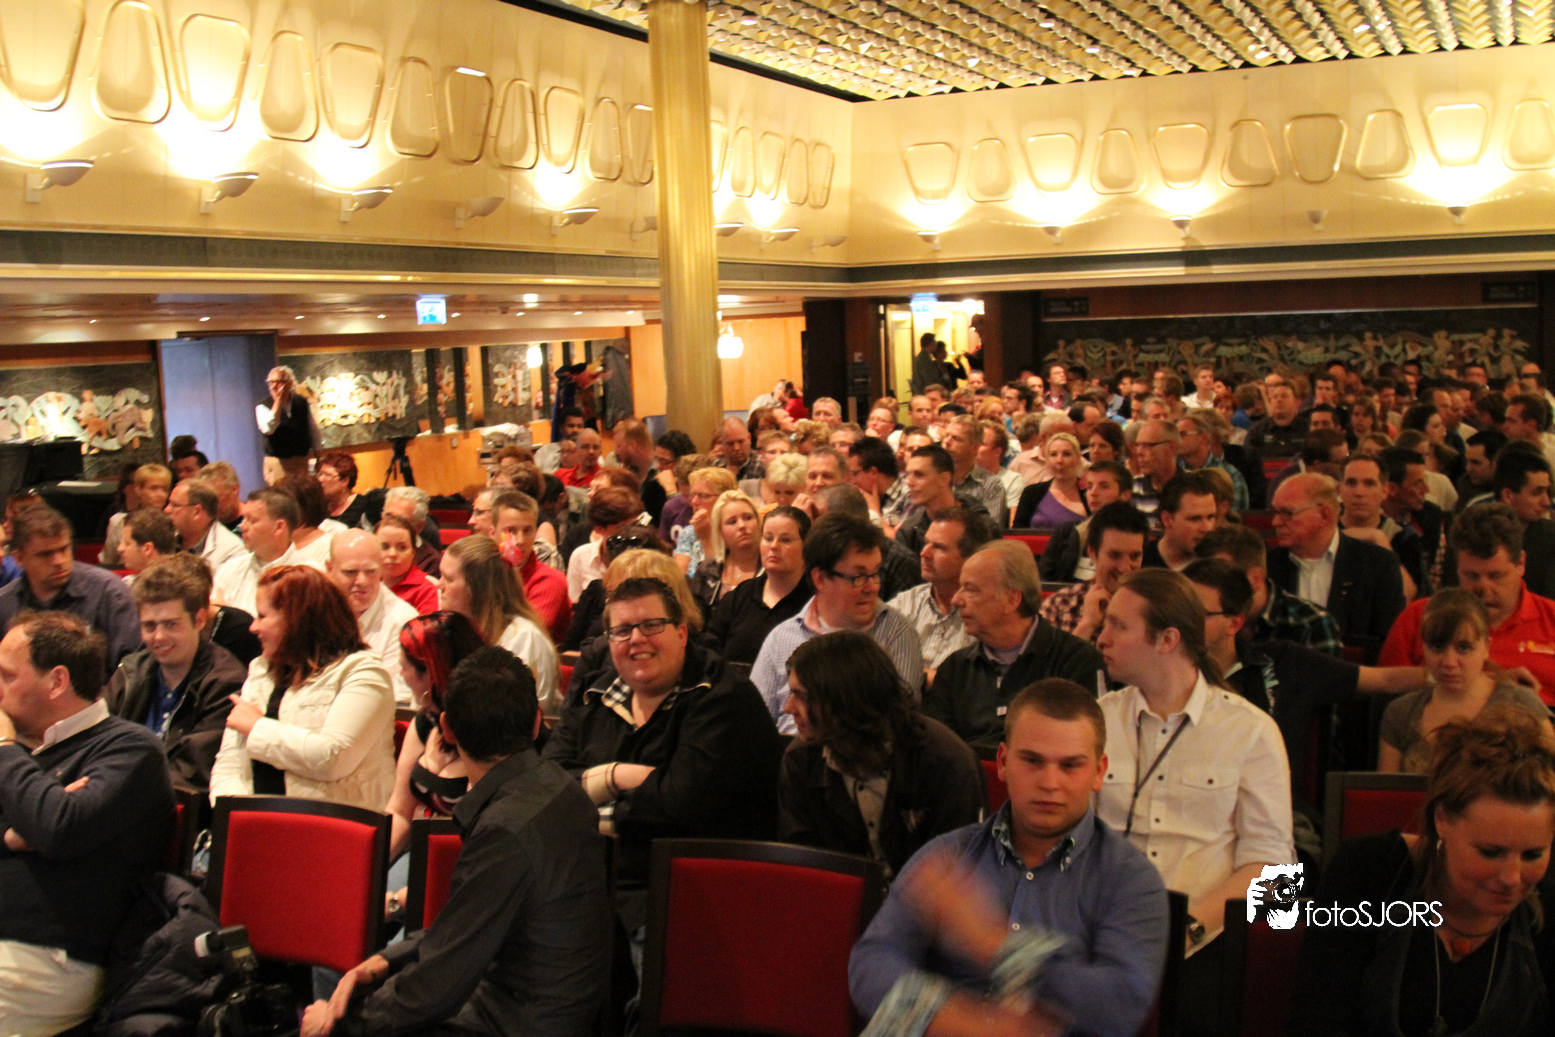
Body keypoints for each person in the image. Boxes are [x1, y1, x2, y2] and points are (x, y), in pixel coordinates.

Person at [303, 645, 610, 1037]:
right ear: (536, 723)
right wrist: (388, 958)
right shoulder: (561, 788)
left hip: (517, 1019)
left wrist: (338, 1026)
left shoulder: (505, 829)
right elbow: (463, 931)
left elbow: (436, 986)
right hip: (553, 1007)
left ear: (446, 729)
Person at [849, 679, 1169, 1037]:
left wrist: (993, 946)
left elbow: (1120, 1009)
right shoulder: (948, 855)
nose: (1050, 782)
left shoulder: (1131, 880)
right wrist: (955, 1021)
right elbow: (872, 962)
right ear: (1002, 762)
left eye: (1070, 766)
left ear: (1098, 771)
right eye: (1032, 761)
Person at [1289, 708, 1555, 1037]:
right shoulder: (1369, 872)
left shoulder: (1548, 906)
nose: (1512, 878)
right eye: (1490, 852)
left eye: (1532, 855)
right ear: (1441, 820)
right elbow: (1318, 1022)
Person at [542, 577, 783, 940]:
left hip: (691, 902)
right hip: (590, 885)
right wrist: (616, 776)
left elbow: (678, 806)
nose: (636, 639)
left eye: (651, 625)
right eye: (622, 630)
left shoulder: (724, 698)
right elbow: (547, 784)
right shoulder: (595, 691)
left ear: (682, 633)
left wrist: (582, 812)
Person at [1095, 568, 1294, 956]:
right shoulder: (1097, 721)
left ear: (1168, 640)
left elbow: (1276, 871)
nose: (1102, 638)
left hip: (1207, 944)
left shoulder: (1250, 730)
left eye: (1118, 626)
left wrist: (1189, 931)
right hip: (1106, 934)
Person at [0, 612, 175, 1036]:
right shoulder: (24, 752)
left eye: (6, 676)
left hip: (49, 957)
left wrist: (4, 748)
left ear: (57, 681)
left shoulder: (130, 749)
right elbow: (48, 817)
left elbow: (58, 828)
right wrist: (12, 832)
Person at [779, 631, 982, 877]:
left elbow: (960, 871)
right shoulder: (801, 760)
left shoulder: (945, 762)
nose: (788, 708)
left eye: (801, 696)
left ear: (847, 699)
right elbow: (804, 868)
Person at [209, 565, 397, 810]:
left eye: (262, 616)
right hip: (257, 822)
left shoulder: (363, 673)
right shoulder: (261, 670)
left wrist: (257, 727)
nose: (253, 627)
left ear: (296, 620)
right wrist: (236, 814)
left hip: (332, 826)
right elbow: (229, 765)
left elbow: (333, 759)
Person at [749, 514, 924, 733]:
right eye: (859, 577)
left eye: (875, 574)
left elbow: (898, 724)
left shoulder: (896, 633)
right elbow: (753, 725)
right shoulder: (782, 638)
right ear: (820, 579)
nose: (872, 588)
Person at [926, 540, 1105, 746]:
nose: (956, 600)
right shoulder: (955, 669)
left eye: (971, 589)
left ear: (1011, 600)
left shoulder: (1077, 662)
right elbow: (938, 751)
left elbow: (1087, 745)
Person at [1380, 503, 1555, 704]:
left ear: (1521, 563)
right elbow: (1386, 695)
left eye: (1495, 576)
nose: (1484, 589)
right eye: (1472, 576)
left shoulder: (1551, 618)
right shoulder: (1421, 616)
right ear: (1457, 568)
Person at [104, 555, 245, 792]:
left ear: (199, 620)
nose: (158, 637)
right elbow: (95, 744)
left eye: (170, 624)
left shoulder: (225, 683)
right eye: (149, 626)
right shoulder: (130, 671)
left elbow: (192, 772)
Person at [1378, 588, 1551, 773]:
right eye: (1437, 647)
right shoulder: (1401, 714)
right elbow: (1387, 790)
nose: (1449, 662)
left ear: (1486, 647)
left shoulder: (1521, 705)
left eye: (1464, 648)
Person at [1267, 472, 1406, 643]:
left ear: (1324, 515)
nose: (1276, 522)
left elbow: (1386, 641)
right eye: (1275, 512)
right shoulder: (1267, 566)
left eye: (1287, 513)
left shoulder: (1378, 565)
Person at [0, 506, 141, 673]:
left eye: (64, 549)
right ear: (18, 558)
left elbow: (132, 669)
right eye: (46, 554)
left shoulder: (108, 593)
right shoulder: (5, 603)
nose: (59, 561)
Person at [438, 534, 561, 714]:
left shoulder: (524, 639)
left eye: (448, 579)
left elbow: (522, 716)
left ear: (479, 589)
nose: (438, 585)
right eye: (440, 576)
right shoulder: (452, 629)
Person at [703, 506, 812, 667]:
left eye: (785, 540)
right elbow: (709, 652)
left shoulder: (815, 601)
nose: (774, 546)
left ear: (806, 546)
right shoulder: (739, 596)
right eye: (768, 538)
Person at [889, 507, 996, 670]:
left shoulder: (986, 614)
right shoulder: (904, 604)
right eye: (926, 543)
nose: (924, 553)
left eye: (939, 547)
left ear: (970, 558)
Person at [329, 529, 418, 706]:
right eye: (350, 572)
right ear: (329, 568)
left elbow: (395, 699)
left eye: (370, 571)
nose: (362, 581)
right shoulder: (314, 609)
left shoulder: (404, 622)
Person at [1040, 501, 1150, 644]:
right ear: (1092, 552)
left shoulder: (1156, 610)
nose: (1125, 568)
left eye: (1134, 556)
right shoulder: (1058, 606)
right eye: (1114, 555)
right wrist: (1087, 624)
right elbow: (1046, 659)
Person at [213, 487, 322, 616]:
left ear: (279, 527)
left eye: (251, 520)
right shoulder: (229, 570)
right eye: (243, 519)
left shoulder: (311, 576)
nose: (242, 526)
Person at [489, 490, 571, 641]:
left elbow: (524, 637)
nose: (520, 540)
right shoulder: (483, 572)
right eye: (511, 531)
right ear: (492, 533)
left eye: (527, 530)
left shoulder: (550, 580)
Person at [688, 489, 761, 609]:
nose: (742, 525)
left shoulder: (773, 567)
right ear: (720, 531)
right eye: (732, 522)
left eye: (748, 518)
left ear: (759, 522)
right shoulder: (706, 571)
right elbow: (697, 617)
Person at [1141, 470, 1220, 571]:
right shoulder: (1140, 561)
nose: (1207, 528)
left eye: (1210, 517)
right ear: (1167, 519)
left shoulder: (1222, 564)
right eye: (1195, 519)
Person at [165, 477, 246, 572]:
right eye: (169, 503)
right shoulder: (166, 538)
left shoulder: (232, 552)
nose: (166, 510)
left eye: (175, 505)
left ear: (197, 512)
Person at [99, 463, 172, 567]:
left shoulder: (173, 522)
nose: (160, 495)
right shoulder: (119, 522)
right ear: (138, 489)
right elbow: (108, 561)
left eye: (165, 489)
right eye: (153, 488)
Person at [1013, 431, 1087, 528]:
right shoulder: (1031, 493)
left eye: (1066, 454)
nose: (1059, 460)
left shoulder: (1089, 494)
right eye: (1053, 454)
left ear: (1078, 459)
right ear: (1047, 460)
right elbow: (1018, 532)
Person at [257, 365, 316, 481]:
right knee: (281, 492)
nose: (274, 386)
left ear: (290, 384)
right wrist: (278, 402)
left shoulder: (301, 402)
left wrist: (318, 455)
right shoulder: (263, 406)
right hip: (278, 462)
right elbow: (269, 428)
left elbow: (313, 430)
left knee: (303, 490)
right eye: (271, 382)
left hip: (301, 460)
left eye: (279, 382)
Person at [377, 514, 439, 614]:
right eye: (384, 547)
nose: (392, 554)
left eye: (402, 548)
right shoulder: (366, 582)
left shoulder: (425, 590)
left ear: (413, 553)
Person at [316, 452, 371, 529]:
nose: (320, 479)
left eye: (327, 475)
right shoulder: (319, 507)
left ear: (345, 481)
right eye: (320, 474)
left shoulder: (364, 505)